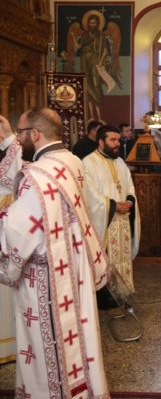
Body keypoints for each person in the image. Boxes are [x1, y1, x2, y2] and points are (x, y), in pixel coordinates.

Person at [0, 107, 110, 397]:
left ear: (35, 134)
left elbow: (18, 232)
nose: (18, 139)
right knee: (80, 340)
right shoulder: (71, 161)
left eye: (21, 133)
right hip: (74, 268)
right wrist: (8, 138)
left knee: (48, 346)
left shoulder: (36, 176)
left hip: (46, 276)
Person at [83, 125, 140, 292]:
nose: (117, 144)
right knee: (106, 259)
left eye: (118, 140)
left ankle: (124, 292)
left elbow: (129, 185)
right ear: (101, 142)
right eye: (113, 140)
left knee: (123, 258)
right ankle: (107, 296)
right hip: (105, 221)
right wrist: (114, 206)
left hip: (123, 221)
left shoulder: (120, 162)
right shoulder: (88, 163)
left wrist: (130, 201)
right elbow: (90, 194)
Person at [0, 115, 21, 365]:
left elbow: (16, 170)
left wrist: (8, 135)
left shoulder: (11, 150)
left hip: (5, 225)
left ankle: (8, 342)